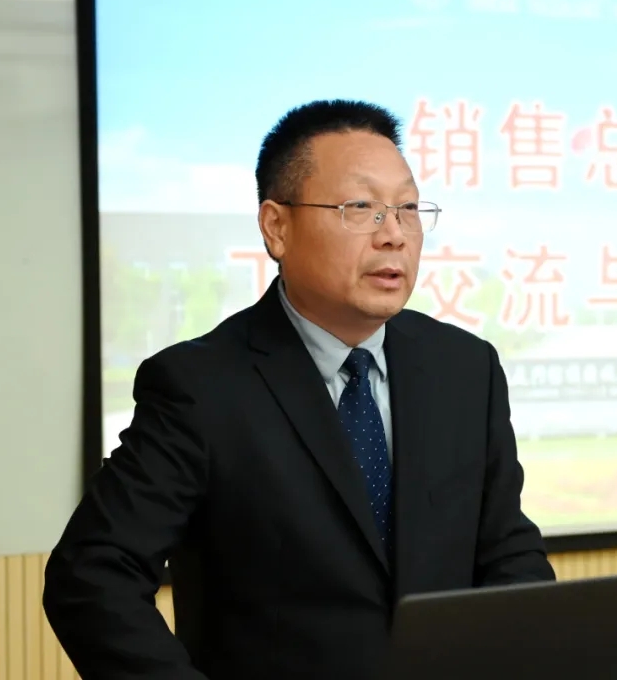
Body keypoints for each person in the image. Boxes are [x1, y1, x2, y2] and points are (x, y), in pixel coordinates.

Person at [43, 99, 555, 679]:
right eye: (361, 208)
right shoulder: (201, 388)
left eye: (408, 208)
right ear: (276, 227)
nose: (394, 235)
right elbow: (92, 574)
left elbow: (508, 551)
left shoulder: (465, 368)